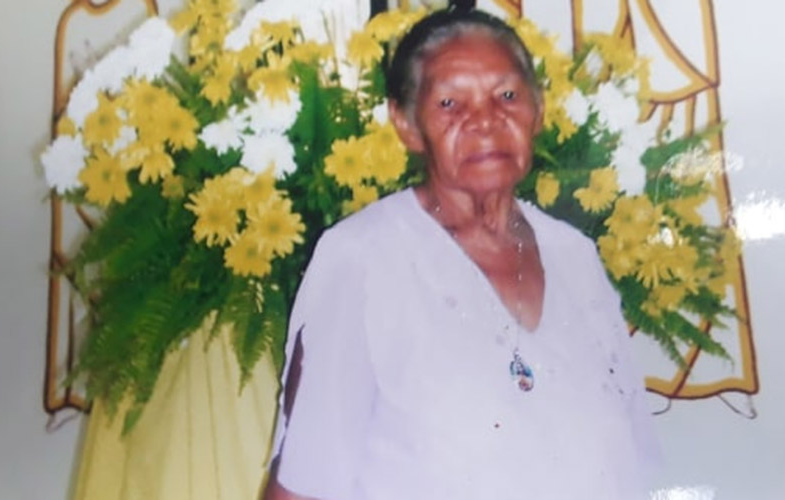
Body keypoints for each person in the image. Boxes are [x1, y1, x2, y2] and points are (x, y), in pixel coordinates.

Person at [263, 8, 657, 500]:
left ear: (537, 109)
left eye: (507, 96)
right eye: (450, 104)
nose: (486, 121)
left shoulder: (574, 256)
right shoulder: (363, 260)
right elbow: (304, 486)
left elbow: (632, 462)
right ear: (407, 124)